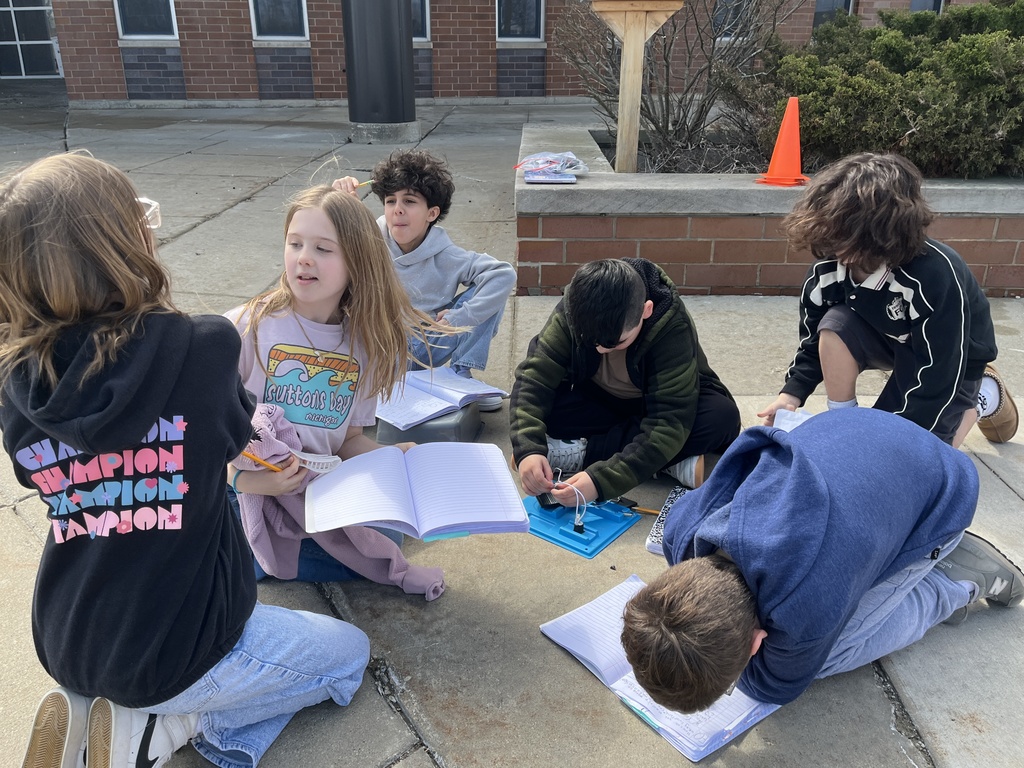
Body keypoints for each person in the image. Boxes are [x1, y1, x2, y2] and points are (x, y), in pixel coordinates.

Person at [1, 154, 369, 768]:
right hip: (180, 646)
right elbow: (231, 449)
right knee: (347, 655)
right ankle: (159, 731)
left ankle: (97, 713)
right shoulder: (202, 348)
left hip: (64, 634)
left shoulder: (15, 381)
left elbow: (43, 477)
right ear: (126, 244)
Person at [621, 408, 1023, 715]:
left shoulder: (804, 604)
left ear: (757, 642)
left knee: (830, 655)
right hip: (862, 431)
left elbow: (775, 685)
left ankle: (949, 584)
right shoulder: (681, 531)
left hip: (944, 493)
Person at [224, 185, 447, 596]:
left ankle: (263, 553)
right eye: (295, 244)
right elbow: (195, 445)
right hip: (240, 490)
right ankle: (251, 552)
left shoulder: (362, 343)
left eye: (324, 249)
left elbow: (346, 441)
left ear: (357, 263)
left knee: (389, 533)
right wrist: (249, 484)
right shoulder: (245, 327)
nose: (304, 257)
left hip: (314, 491)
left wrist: (393, 458)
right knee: (369, 547)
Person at [758, 152, 1017, 446]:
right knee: (834, 324)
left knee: (918, 457)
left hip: (954, 357)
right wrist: (790, 395)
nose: (833, 245)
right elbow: (811, 345)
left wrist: (900, 442)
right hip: (891, 336)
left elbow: (939, 372)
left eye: (844, 232)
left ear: (881, 231)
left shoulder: (935, 274)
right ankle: (844, 417)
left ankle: (981, 397)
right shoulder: (826, 272)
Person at [510, 257, 740, 506]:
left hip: (657, 404)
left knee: (721, 418)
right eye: (590, 340)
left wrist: (600, 481)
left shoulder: (672, 326)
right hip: (600, 403)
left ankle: (581, 453)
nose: (600, 350)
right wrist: (529, 449)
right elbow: (534, 378)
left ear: (646, 310)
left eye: (615, 343)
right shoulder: (575, 305)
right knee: (542, 409)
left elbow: (670, 421)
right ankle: (665, 462)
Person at [333, 149, 516, 411]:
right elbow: (331, 247)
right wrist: (343, 203)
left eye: (409, 202)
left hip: (427, 344)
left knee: (490, 294)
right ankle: (394, 385)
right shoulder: (370, 238)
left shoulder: (447, 254)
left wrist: (458, 318)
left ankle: (460, 376)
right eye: (390, 201)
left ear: (431, 213)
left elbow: (503, 274)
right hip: (382, 349)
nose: (397, 210)